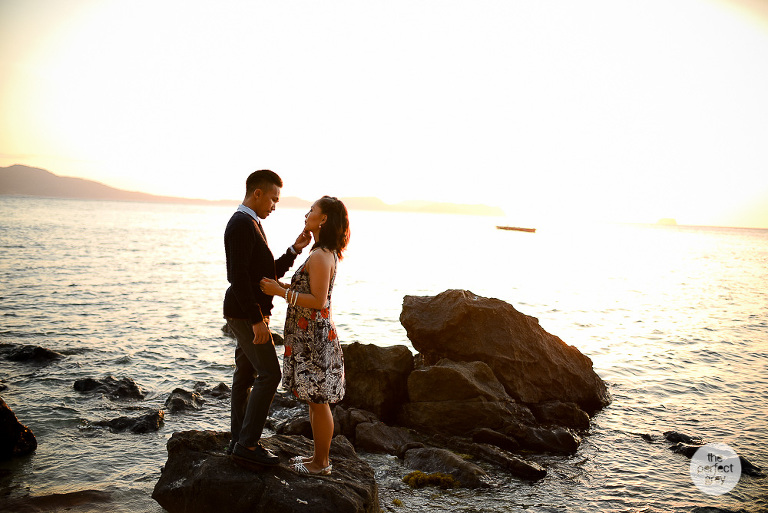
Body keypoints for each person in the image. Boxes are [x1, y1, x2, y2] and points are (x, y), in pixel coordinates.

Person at [224, 169, 311, 467]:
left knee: (245, 376)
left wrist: (293, 251)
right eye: (273, 199)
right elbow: (237, 278)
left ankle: (238, 441)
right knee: (270, 375)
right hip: (244, 313)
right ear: (257, 193)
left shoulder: (252, 223)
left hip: (245, 312)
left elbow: (265, 275)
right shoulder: (241, 224)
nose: (275, 205)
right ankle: (247, 446)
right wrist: (257, 320)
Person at [260, 195, 349, 476]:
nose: (306, 213)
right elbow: (306, 290)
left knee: (319, 401)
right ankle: (316, 458)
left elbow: (318, 300)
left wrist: (280, 292)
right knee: (314, 399)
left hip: (315, 338)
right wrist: (282, 285)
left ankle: (321, 463)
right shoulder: (317, 251)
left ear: (323, 219)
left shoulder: (322, 255)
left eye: (312, 210)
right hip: (307, 335)